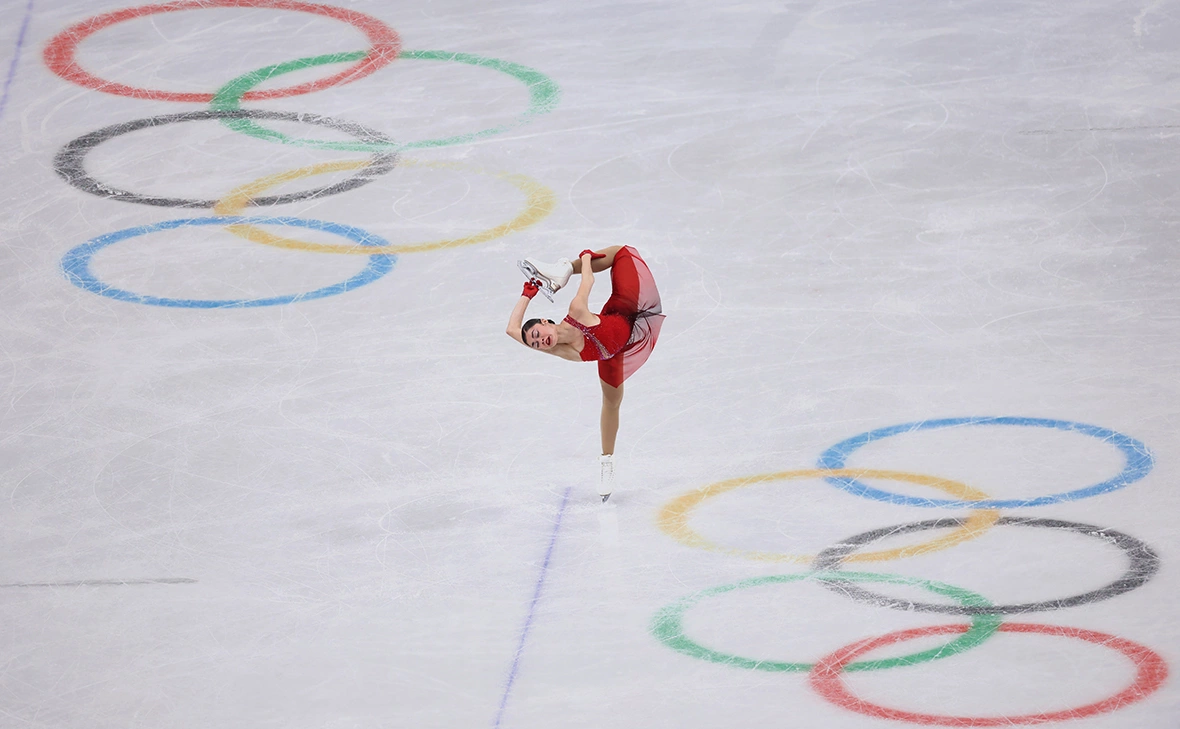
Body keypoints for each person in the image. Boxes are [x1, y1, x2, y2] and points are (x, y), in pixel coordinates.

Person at [506, 246, 665, 501]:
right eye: (535, 344)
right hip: (612, 355)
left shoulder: (576, 311)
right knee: (612, 403)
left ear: (545, 322)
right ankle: (607, 461)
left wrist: (586, 259)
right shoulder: (559, 350)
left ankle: (564, 268)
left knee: (622, 252)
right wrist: (526, 295)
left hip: (625, 309)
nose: (540, 342)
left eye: (537, 335)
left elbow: (588, 279)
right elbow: (512, 330)